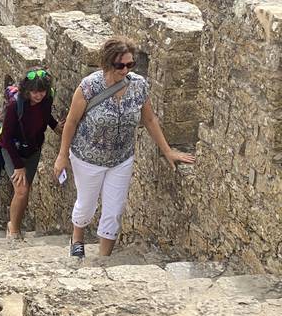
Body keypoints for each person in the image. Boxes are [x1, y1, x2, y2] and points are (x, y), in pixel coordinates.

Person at [53, 37, 195, 259]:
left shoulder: (138, 85)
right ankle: (77, 237)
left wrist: (168, 151)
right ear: (108, 63)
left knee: (114, 210)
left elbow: (149, 120)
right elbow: (71, 122)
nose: (125, 70)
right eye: (120, 65)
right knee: (87, 205)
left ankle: (103, 259)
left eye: (130, 65)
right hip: (87, 157)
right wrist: (62, 156)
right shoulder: (89, 86)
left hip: (121, 158)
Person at [0, 69, 64, 241]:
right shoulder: (15, 107)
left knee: (25, 191)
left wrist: (55, 126)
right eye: (34, 92)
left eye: (42, 91)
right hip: (12, 150)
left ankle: (16, 227)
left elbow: (44, 115)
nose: (38, 95)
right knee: (21, 190)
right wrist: (18, 166)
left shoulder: (47, 100)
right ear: (26, 90)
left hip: (33, 149)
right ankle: (13, 230)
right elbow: (6, 138)